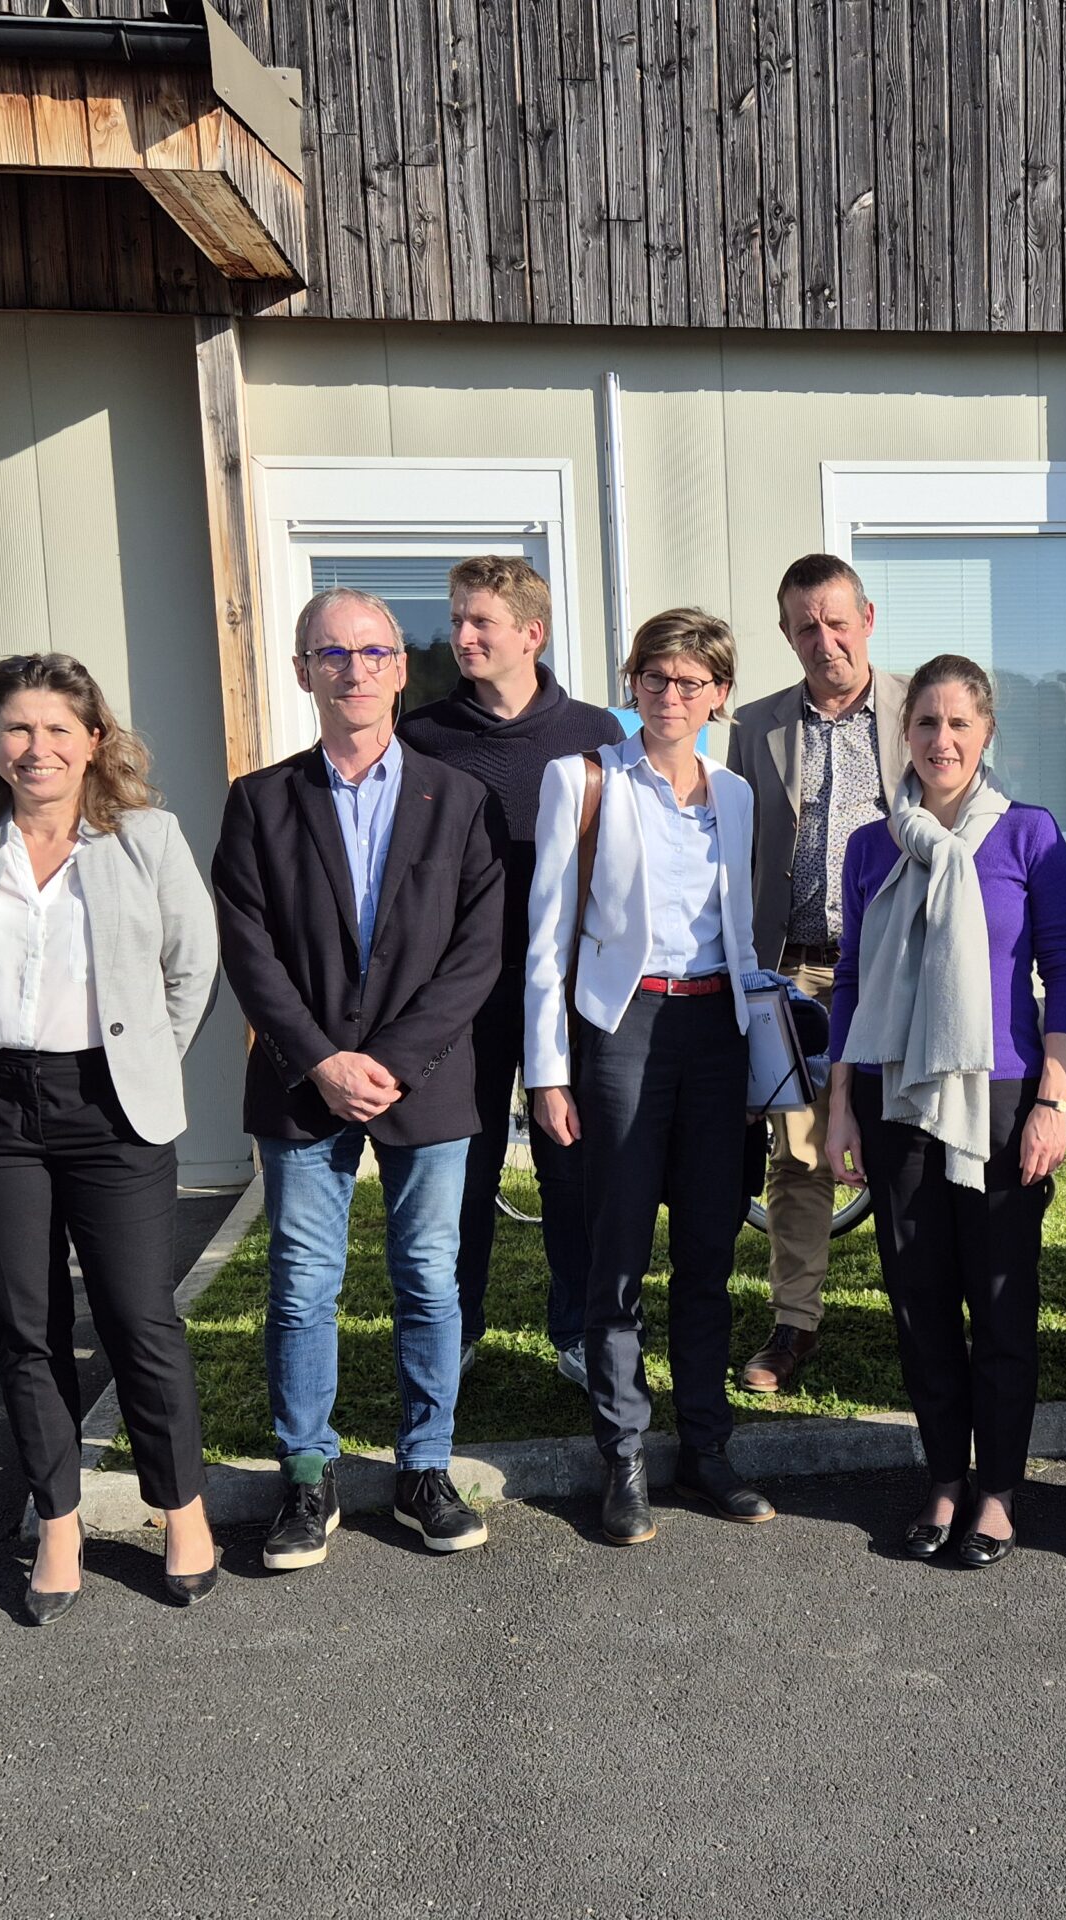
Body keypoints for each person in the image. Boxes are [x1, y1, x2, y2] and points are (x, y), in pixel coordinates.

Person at [0, 653, 221, 1623]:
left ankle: (183, 1509)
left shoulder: (146, 838)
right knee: (26, 1328)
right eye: (15, 728)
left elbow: (191, 965)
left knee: (139, 1318)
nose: (35, 747)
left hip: (111, 1104)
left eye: (56, 729)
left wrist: (140, 1070)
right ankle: (57, 1521)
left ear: (94, 740)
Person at [213, 588, 504, 1570]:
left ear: (399, 668)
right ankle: (307, 1475)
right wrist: (321, 1059)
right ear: (303, 671)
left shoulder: (460, 800)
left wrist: (391, 1059)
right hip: (304, 1083)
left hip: (426, 1080)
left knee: (428, 1278)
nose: (355, 668)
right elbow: (247, 947)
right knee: (302, 1283)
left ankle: (425, 1468)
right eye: (331, 653)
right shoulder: (259, 801)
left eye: (373, 650)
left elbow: (476, 953)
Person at [822, 655, 1066, 1567]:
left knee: (1002, 1302)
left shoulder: (1029, 838)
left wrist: (1054, 1099)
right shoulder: (869, 845)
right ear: (905, 735)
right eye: (925, 724)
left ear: (986, 734)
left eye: (959, 725)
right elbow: (852, 981)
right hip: (896, 1092)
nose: (941, 741)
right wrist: (841, 1103)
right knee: (920, 1301)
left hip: (1004, 1097)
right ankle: (943, 1476)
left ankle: (1000, 1490)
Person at [525, 608, 774, 1546]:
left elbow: (741, 934)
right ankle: (623, 1455)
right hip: (622, 1029)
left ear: (718, 695)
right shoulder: (582, 779)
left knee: (709, 1254)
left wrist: (758, 1058)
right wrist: (548, 1074)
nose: (671, 696)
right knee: (617, 1252)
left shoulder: (736, 793)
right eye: (655, 678)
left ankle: (706, 1450)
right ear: (631, 683)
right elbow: (547, 935)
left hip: (715, 1027)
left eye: (692, 682)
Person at [397, 555, 621, 1390]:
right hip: (463, 987)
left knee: (571, 1157)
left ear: (532, 633)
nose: (460, 635)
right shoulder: (423, 736)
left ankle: (575, 1325)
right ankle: (456, 1322)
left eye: (480, 621)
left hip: (567, 985)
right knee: (467, 1158)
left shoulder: (597, 733)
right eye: (456, 618)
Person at [724, 555, 910, 1396]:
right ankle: (795, 1322)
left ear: (867, 617)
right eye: (806, 626)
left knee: (909, 1142)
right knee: (797, 1155)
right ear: (787, 633)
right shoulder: (756, 724)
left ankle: (921, 1314)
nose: (824, 640)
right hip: (794, 969)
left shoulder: (921, 709)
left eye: (837, 621)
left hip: (896, 965)